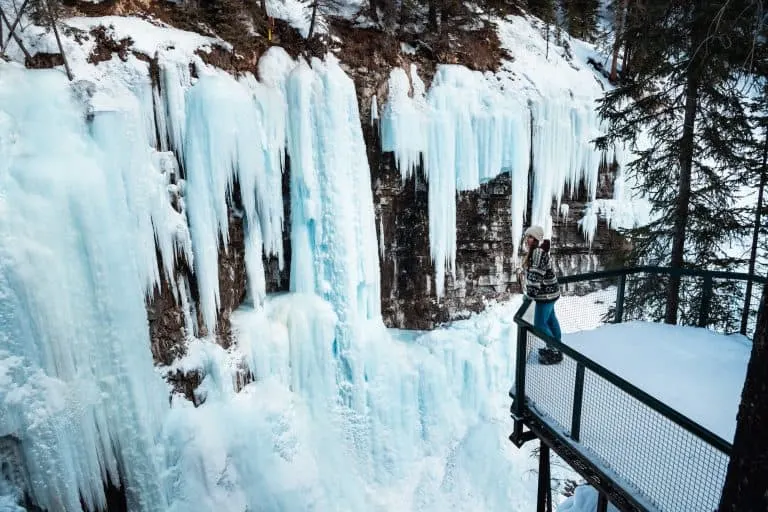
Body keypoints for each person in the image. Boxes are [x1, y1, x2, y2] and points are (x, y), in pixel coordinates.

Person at [516, 225, 563, 365]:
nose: (528, 239)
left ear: (536, 239)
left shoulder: (537, 253)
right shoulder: (539, 251)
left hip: (546, 296)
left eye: (531, 237)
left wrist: (529, 295)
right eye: (527, 236)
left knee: (539, 325)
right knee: (551, 320)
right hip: (551, 293)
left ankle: (554, 349)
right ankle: (557, 347)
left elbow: (536, 277)